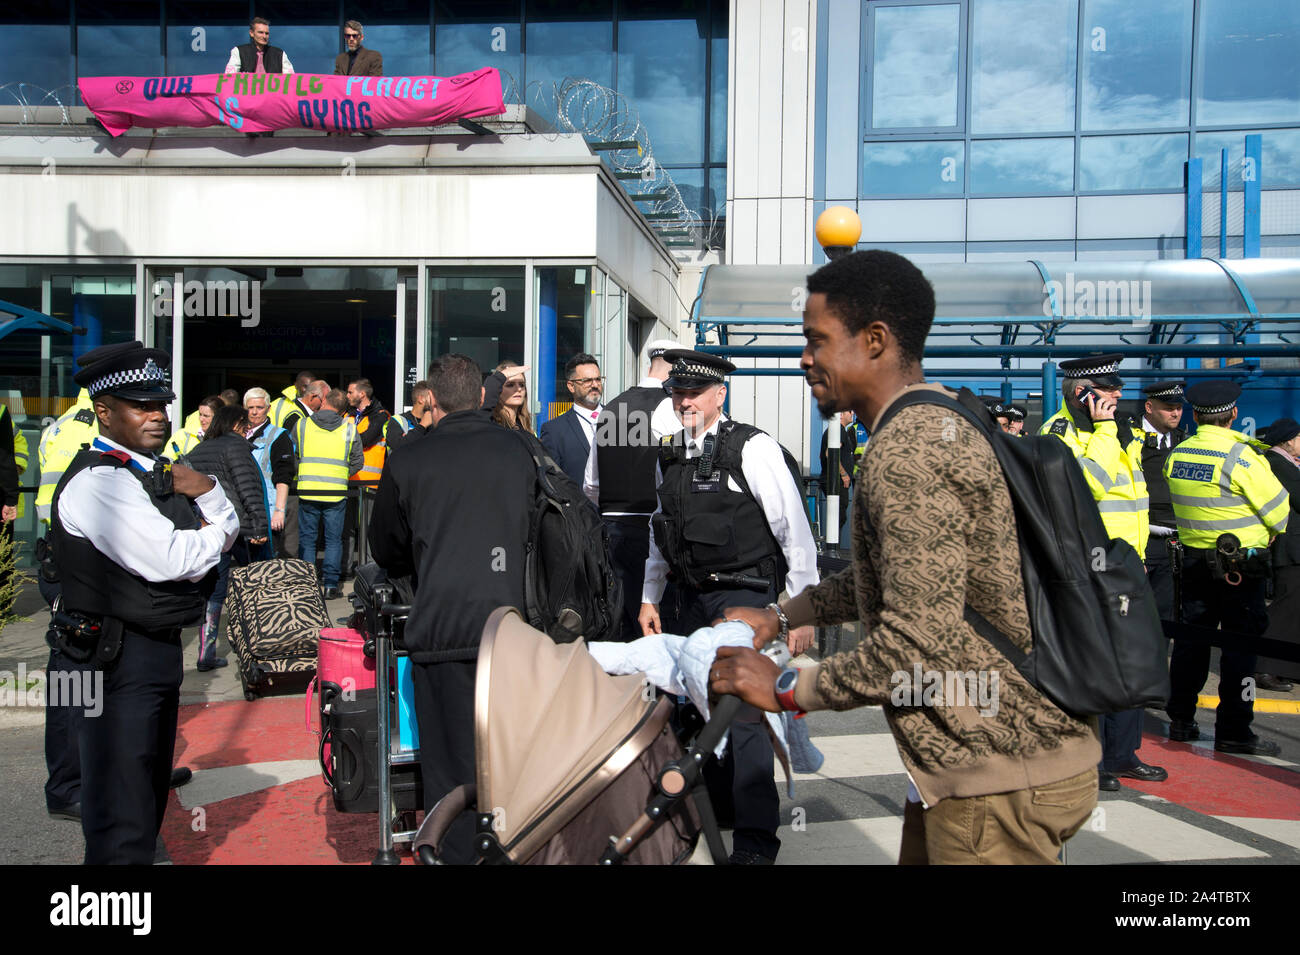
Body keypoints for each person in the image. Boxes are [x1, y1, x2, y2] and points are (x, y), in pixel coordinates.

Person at [712, 250, 1100, 866]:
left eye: (816, 340)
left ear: (874, 341)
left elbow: (914, 643)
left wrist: (786, 686)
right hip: (977, 766)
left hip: (995, 771)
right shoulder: (930, 420)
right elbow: (895, 579)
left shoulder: (909, 454)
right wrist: (783, 616)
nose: (804, 359)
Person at [49, 341, 238, 864]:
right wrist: (216, 521)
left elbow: (213, 533)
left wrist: (210, 502)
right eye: (141, 405)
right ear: (104, 412)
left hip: (149, 653)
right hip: (112, 662)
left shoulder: (148, 472)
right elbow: (173, 558)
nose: (157, 415)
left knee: (146, 802)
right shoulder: (101, 480)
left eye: (160, 404)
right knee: (121, 822)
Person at [638, 348, 819, 866]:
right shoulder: (670, 454)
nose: (684, 401)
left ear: (720, 394)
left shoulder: (752, 447)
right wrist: (649, 597)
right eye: (677, 392)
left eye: (694, 393)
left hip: (744, 600)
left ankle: (756, 844)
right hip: (690, 599)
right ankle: (715, 813)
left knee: (744, 721)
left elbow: (793, 531)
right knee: (696, 710)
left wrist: (801, 609)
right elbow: (660, 532)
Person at [369, 354, 536, 865]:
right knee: (514, 761)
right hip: (512, 632)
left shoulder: (408, 458)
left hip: (440, 632)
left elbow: (387, 548)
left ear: (431, 402)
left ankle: (460, 856)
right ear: (482, 397)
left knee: (450, 775)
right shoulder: (520, 449)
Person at [1039, 353, 1165, 792]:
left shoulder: (1117, 431)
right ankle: (1089, 759)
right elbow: (1091, 482)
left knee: (1131, 660)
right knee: (1095, 664)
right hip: (1089, 565)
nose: (1118, 398)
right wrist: (1107, 430)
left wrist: (1140, 554)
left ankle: (1121, 753)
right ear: (1082, 392)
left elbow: (1134, 497)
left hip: (1127, 561)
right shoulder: (1057, 433)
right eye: (1110, 392)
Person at [1164, 382, 1289, 756]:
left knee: (1190, 644)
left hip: (1192, 564)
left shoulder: (1179, 454)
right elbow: (1279, 512)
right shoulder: (1243, 457)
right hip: (1241, 568)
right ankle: (1235, 729)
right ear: (1233, 414)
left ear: (1195, 414)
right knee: (1241, 653)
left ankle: (1181, 721)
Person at [583, 340, 682, 642]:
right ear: (675, 369)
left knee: (619, 621)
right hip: (656, 532)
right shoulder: (673, 408)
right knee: (658, 625)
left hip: (612, 528)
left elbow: (590, 483)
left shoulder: (611, 408)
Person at [181, 404, 269, 670]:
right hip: (239, 527)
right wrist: (259, 528)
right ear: (235, 424)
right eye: (245, 426)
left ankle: (206, 652)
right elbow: (248, 489)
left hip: (209, 529)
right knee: (254, 587)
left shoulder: (198, 449)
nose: (247, 431)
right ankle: (259, 645)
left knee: (214, 591)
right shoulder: (237, 448)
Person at [294, 388, 362, 600]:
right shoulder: (349, 428)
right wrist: (341, 475)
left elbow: (294, 455)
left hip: (308, 490)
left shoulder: (303, 424)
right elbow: (358, 461)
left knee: (308, 539)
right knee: (334, 540)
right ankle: (331, 586)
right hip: (335, 492)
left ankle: (307, 586)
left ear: (324, 401)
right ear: (343, 410)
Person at [1139, 380, 1188, 622]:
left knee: (1167, 614)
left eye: (1178, 407)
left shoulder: (1183, 441)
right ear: (1149, 407)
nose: (1176, 413)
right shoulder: (1128, 438)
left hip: (1175, 541)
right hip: (1141, 539)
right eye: (1168, 407)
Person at [1257, 418, 1300, 688]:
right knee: (1286, 607)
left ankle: (1288, 666)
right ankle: (1264, 667)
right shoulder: (1276, 463)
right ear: (1289, 439)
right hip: (1290, 547)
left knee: (1295, 608)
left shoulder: (1287, 464)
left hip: (1293, 546)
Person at [343, 378, 397, 577]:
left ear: (362, 394)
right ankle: (345, 568)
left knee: (368, 529)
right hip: (347, 480)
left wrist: (347, 439)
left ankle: (368, 570)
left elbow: (366, 439)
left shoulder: (381, 415)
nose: (347, 396)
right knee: (346, 529)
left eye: (350, 392)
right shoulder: (347, 415)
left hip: (370, 482)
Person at [244, 387, 295, 562]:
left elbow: (284, 475)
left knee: (266, 563)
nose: (254, 412)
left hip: (267, 509)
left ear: (268, 409)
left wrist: (279, 511)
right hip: (245, 509)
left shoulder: (278, 436)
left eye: (259, 407)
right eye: (250, 408)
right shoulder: (240, 434)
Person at [539, 353, 603, 486]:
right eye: (587, 381)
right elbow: (553, 481)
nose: (595, 384)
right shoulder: (554, 431)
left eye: (598, 379)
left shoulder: (619, 419)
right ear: (571, 386)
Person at [818, 409, 857, 544]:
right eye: (849, 411)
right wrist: (844, 474)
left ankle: (834, 548)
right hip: (836, 481)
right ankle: (833, 549)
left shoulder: (838, 431)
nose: (852, 413)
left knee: (839, 516)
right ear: (840, 415)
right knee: (837, 517)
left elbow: (822, 455)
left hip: (835, 480)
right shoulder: (837, 430)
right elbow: (830, 453)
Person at [225, 17, 294, 74]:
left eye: (267, 33)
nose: (264, 36)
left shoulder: (280, 54)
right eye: (260, 32)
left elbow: (291, 79)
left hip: (272, 90)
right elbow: (229, 77)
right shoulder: (239, 51)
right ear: (251, 33)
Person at [165, 395, 221, 461]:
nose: (201, 419)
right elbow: (166, 460)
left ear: (218, 417)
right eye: (200, 414)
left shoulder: (227, 438)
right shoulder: (182, 435)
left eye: (206, 416)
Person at [484, 361, 533, 432]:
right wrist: (499, 376)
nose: (518, 389)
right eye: (510, 385)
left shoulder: (525, 426)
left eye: (522, 385)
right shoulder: (490, 423)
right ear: (498, 390)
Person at [387, 380, 433, 453]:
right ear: (421, 399)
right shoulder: (397, 421)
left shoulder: (433, 423)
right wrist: (422, 426)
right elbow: (397, 447)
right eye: (431, 397)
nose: (434, 401)